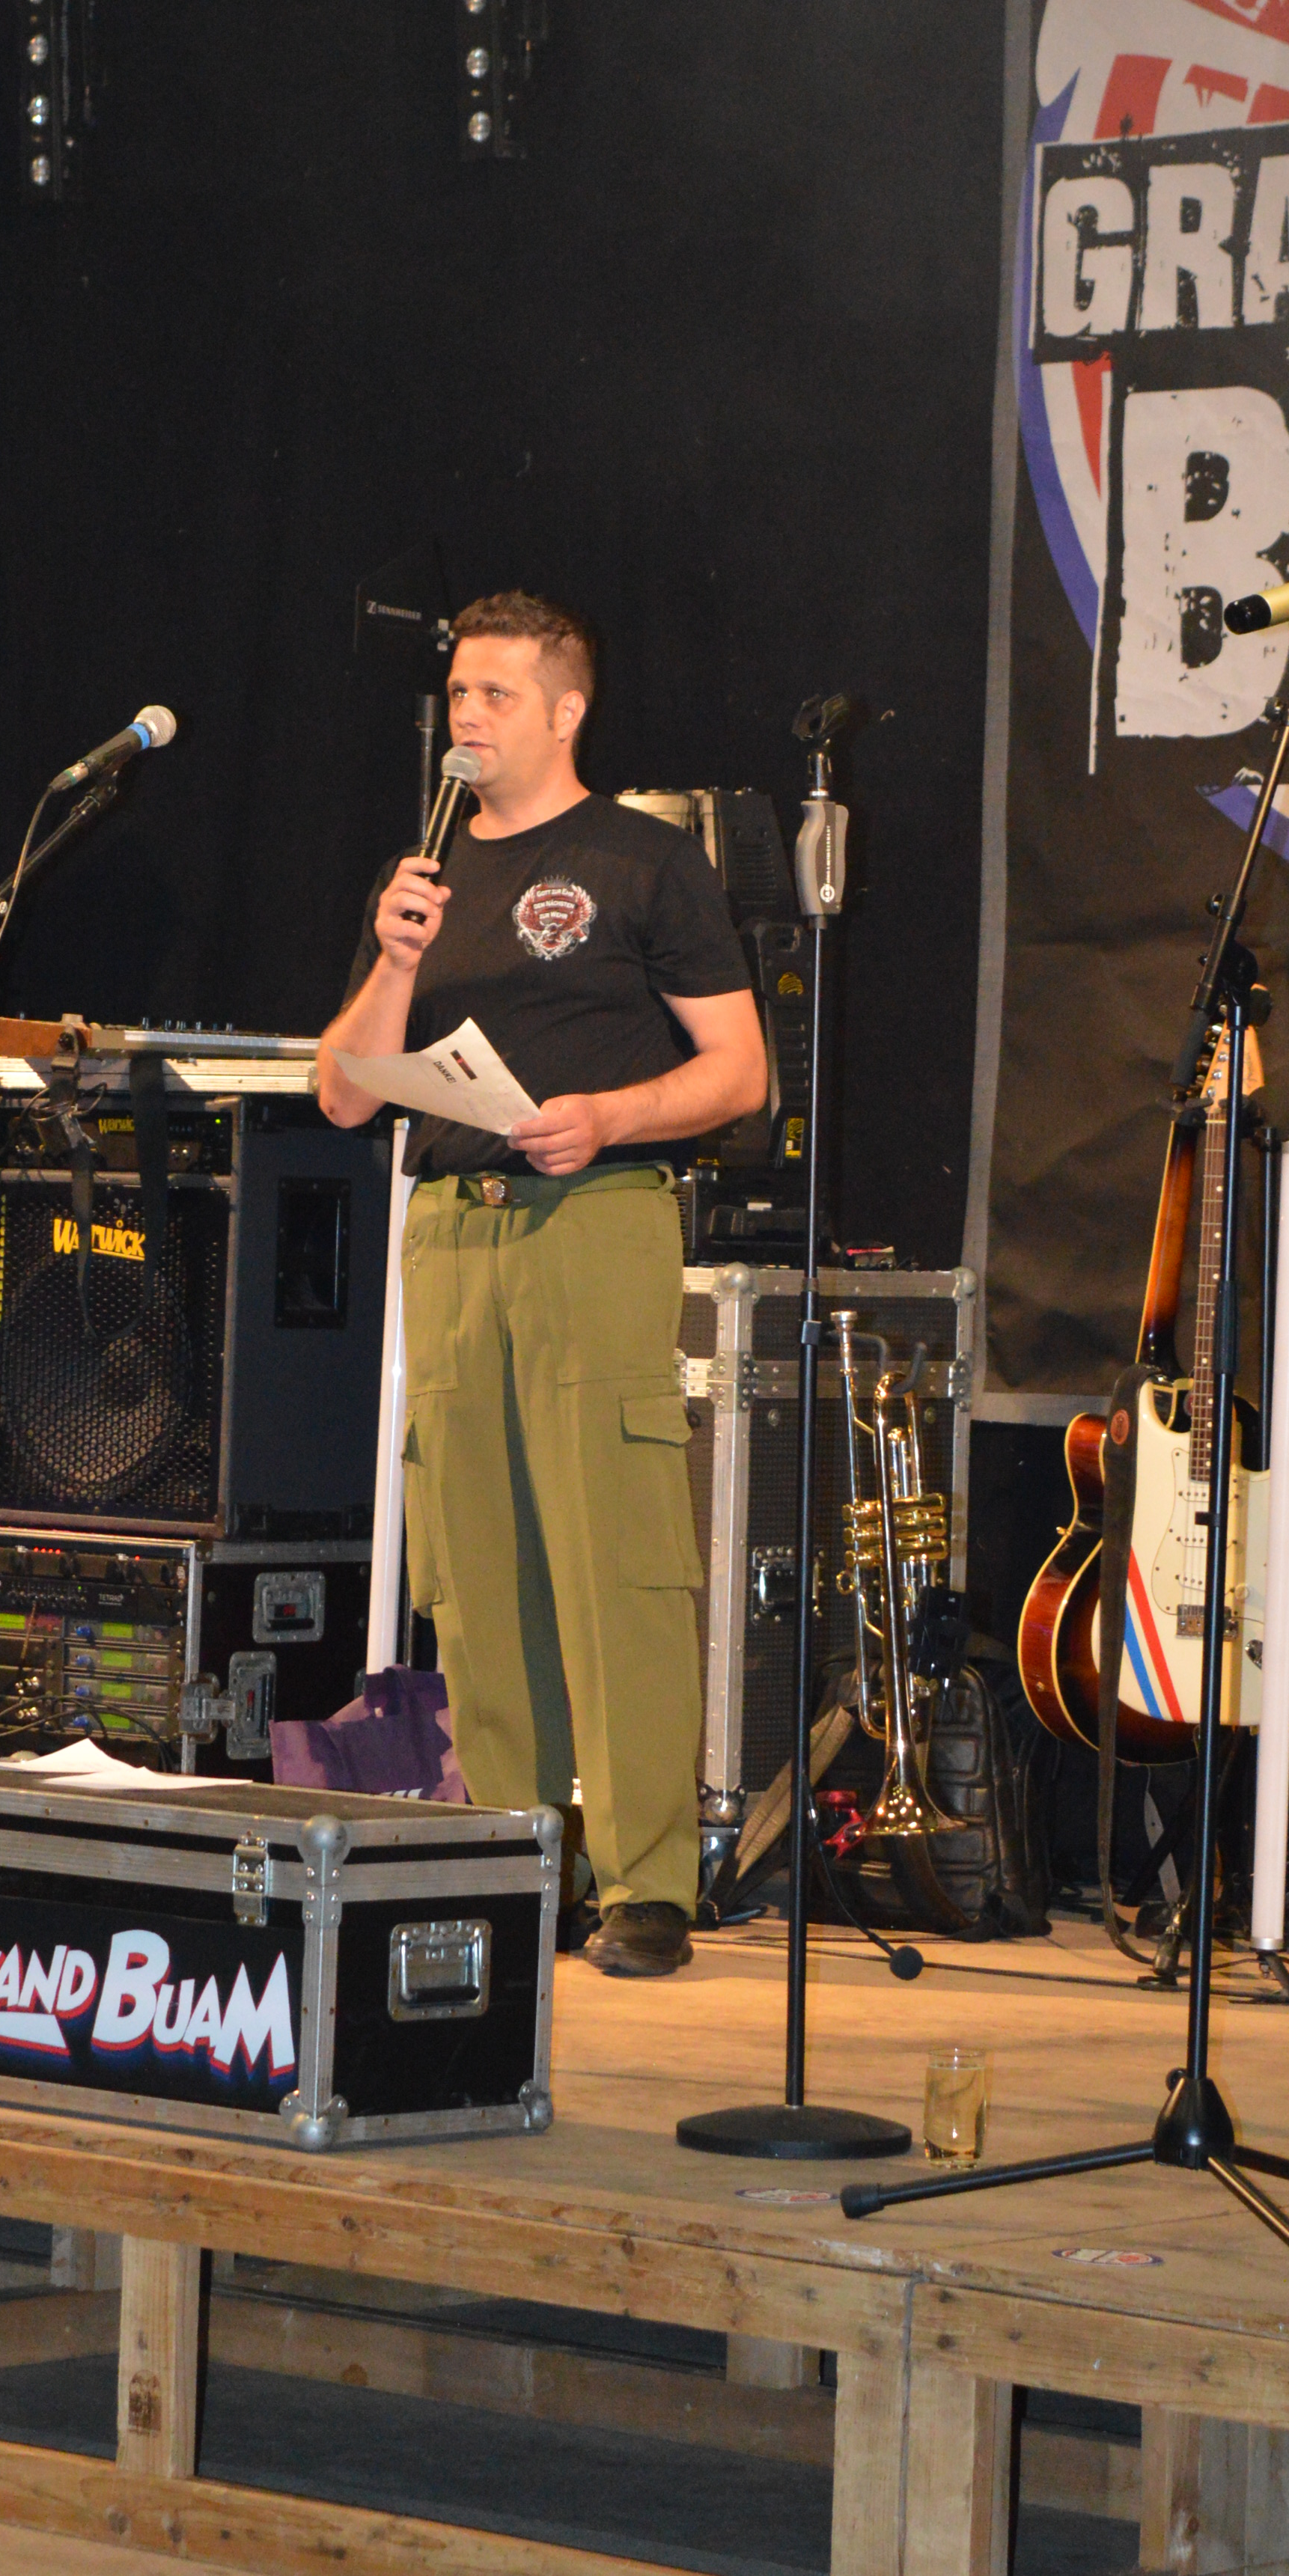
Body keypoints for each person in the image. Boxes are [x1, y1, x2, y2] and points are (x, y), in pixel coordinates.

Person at [317, 596, 766, 1977]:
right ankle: (517, 1861)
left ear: (567, 712)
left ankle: (646, 1884)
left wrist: (610, 1116)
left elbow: (740, 1073)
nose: (468, 716)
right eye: (460, 692)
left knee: (614, 1557)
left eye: (497, 695)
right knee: (476, 1570)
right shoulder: (422, 879)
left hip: (593, 1218)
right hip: (452, 1230)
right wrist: (396, 957)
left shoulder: (644, 861)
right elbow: (343, 1095)